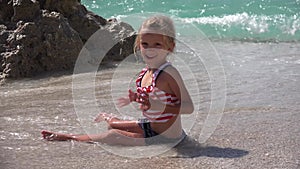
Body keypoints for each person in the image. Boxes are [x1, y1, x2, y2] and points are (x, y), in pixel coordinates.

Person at [41, 15, 194, 146]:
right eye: (145, 44)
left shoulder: (169, 73)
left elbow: (188, 107)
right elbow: (151, 100)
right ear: (138, 44)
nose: (150, 49)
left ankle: (70, 137)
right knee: (113, 125)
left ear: (170, 47)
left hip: (166, 139)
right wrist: (137, 99)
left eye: (157, 45)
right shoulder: (145, 73)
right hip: (150, 126)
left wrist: (158, 105)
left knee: (113, 135)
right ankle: (110, 118)